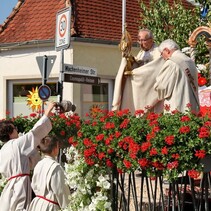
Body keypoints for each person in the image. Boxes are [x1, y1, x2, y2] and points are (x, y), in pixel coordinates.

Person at [0, 102, 56, 211]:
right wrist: (47, 112)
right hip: (19, 187)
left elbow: (29, 163)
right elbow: (35, 133)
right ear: (10, 133)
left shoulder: (2, 150)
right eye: (15, 129)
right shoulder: (16, 144)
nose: (17, 130)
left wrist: (34, 149)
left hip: (9, 188)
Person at [112, 28, 162, 112]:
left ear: (151, 40)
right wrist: (130, 61)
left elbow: (154, 70)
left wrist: (137, 72)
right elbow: (137, 65)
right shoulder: (141, 53)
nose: (140, 43)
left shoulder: (158, 52)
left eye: (143, 40)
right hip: (140, 90)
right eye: (139, 40)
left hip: (151, 89)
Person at [154, 39, 200, 113]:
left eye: (161, 53)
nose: (162, 57)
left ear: (167, 50)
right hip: (192, 106)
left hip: (177, 108)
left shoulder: (171, 63)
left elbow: (162, 87)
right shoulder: (190, 61)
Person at [28, 135, 70, 210]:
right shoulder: (55, 167)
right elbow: (61, 191)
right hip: (49, 207)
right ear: (54, 149)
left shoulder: (39, 164)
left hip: (37, 205)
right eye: (58, 146)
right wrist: (68, 207)